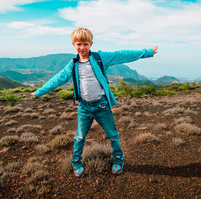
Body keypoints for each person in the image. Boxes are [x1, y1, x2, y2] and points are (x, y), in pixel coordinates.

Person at [31, 28, 158, 177]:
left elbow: (122, 55)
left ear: (91, 44)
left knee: (112, 135)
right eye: (79, 44)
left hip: (102, 105)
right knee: (79, 137)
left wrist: (147, 52)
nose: (82, 47)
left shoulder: (100, 58)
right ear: (73, 44)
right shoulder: (73, 65)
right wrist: (39, 92)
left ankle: (118, 159)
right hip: (84, 107)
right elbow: (57, 79)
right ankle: (76, 163)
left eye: (85, 44)